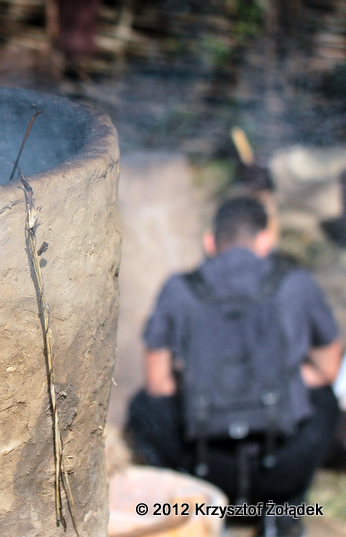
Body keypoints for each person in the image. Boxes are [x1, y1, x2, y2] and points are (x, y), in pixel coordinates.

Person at [127, 196, 343, 537]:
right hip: (282, 464)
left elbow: (158, 384)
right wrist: (287, 379)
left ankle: (195, 508)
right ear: (265, 240)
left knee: (143, 405)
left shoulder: (179, 288)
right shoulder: (297, 283)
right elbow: (328, 369)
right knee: (324, 399)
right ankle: (283, 511)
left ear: (210, 242)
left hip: (204, 465)